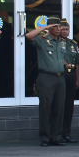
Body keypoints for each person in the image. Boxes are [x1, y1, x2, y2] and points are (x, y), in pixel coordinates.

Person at [24, 19, 70, 147]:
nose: (58, 29)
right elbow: (28, 36)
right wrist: (45, 27)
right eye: (55, 27)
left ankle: (56, 136)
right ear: (49, 28)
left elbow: (61, 57)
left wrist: (65, 63)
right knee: (46, 108)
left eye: (59, 27)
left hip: (60, 78)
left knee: (59, 107)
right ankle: (45, 137)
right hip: (46, 77)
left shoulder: (62, 42)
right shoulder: (42, 40)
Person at [54, 19, 79, 144]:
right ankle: (57, 133)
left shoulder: (73, 44)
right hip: (60, 75)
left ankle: (67, 133)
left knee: (69, 106)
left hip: (71, 76)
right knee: (59, 105)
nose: (65, 32)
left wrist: (77, 80)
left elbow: (77, 64)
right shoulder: (55, 43)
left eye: (67, 30)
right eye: (63, 29)